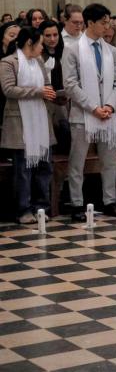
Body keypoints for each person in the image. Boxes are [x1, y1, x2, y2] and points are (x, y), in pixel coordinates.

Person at [62, 3, 116, 221]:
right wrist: (93, 107)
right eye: (103, 22)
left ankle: (109, 201)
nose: (107, 27)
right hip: (83, 114)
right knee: (77, 161)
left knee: (109, 160)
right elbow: (70, 84)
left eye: (108, 22)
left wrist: (110, 105)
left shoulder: (112, 50)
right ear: (90, 23)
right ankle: (77, 203)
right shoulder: (72, 49)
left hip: (107, 113)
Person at [0, 27, 56, 225]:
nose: (43, 47)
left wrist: (51, 93)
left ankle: (41, 207)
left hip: (41, 120)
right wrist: (38, 92)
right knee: (23, 170)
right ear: (30, 43)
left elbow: (46, 84)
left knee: (44, 167)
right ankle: (23, 209)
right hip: (20, 122)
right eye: (40, 43)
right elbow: (9, 89)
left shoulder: (39, 61)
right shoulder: (8, 62)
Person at [39, 21, 69, 151]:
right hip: (44, 100)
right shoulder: (38, 55)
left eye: (55, 35)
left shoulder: (66, 51)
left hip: (65, 99)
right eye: (48, 35)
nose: (52, 39)